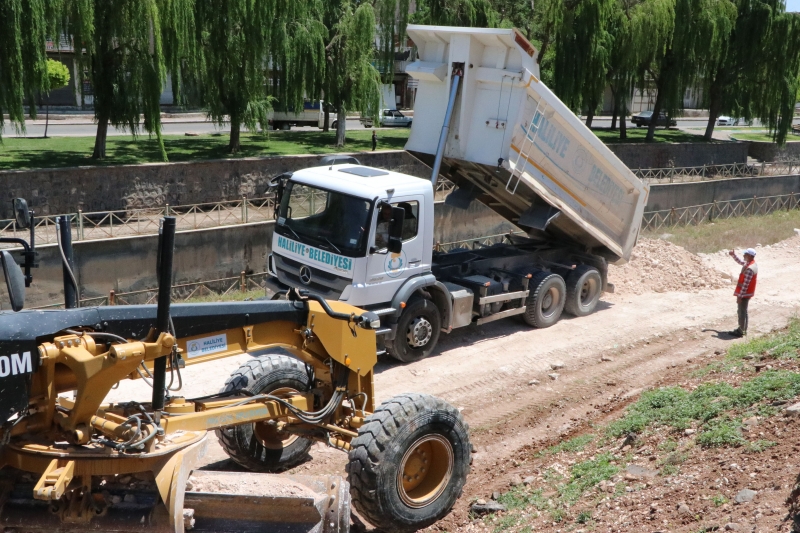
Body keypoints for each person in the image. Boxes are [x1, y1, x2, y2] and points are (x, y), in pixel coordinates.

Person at [728, 247, 758, 338]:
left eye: (745, 254)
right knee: (743, 312)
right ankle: (743, 329)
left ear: (749, 256)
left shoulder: (749, 269)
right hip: (746, 294)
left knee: (742, 312)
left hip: (745, 294)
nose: (744, 255)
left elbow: (745, 284)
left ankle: (741, 331)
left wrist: (740, 296)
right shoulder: (750, 264)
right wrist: (733, 255)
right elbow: (741, 262)